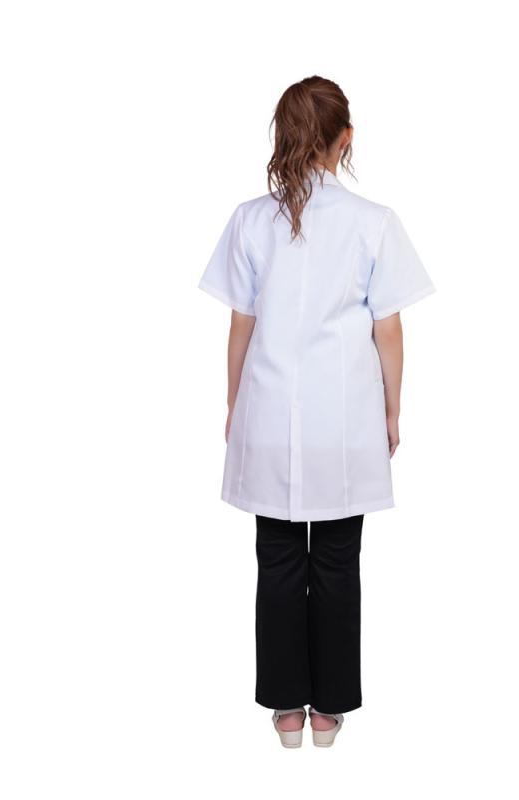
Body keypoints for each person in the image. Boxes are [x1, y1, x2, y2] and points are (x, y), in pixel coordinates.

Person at [198, 75, 435, 748]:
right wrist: (393, 409)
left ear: (283, 137)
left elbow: (241, 324)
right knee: (337, 560)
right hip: (346, 418)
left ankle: (285, 708)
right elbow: (387, 327)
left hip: (269, 410)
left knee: (276, 559)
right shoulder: (373, 222)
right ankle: (329, 709)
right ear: (345, 139)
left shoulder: (251, 219)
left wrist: (234, 403)